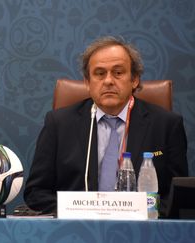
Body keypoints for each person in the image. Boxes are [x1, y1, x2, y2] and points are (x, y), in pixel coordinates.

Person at [24, 36, 188, 216]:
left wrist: (143, 215)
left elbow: (176, 196)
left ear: (134, 80)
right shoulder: (59, 123)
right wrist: (76, 214)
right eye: (99, 73)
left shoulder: (166, 125)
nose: (108, 81)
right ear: (87, 82)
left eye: (118, 72)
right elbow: (36, 193)